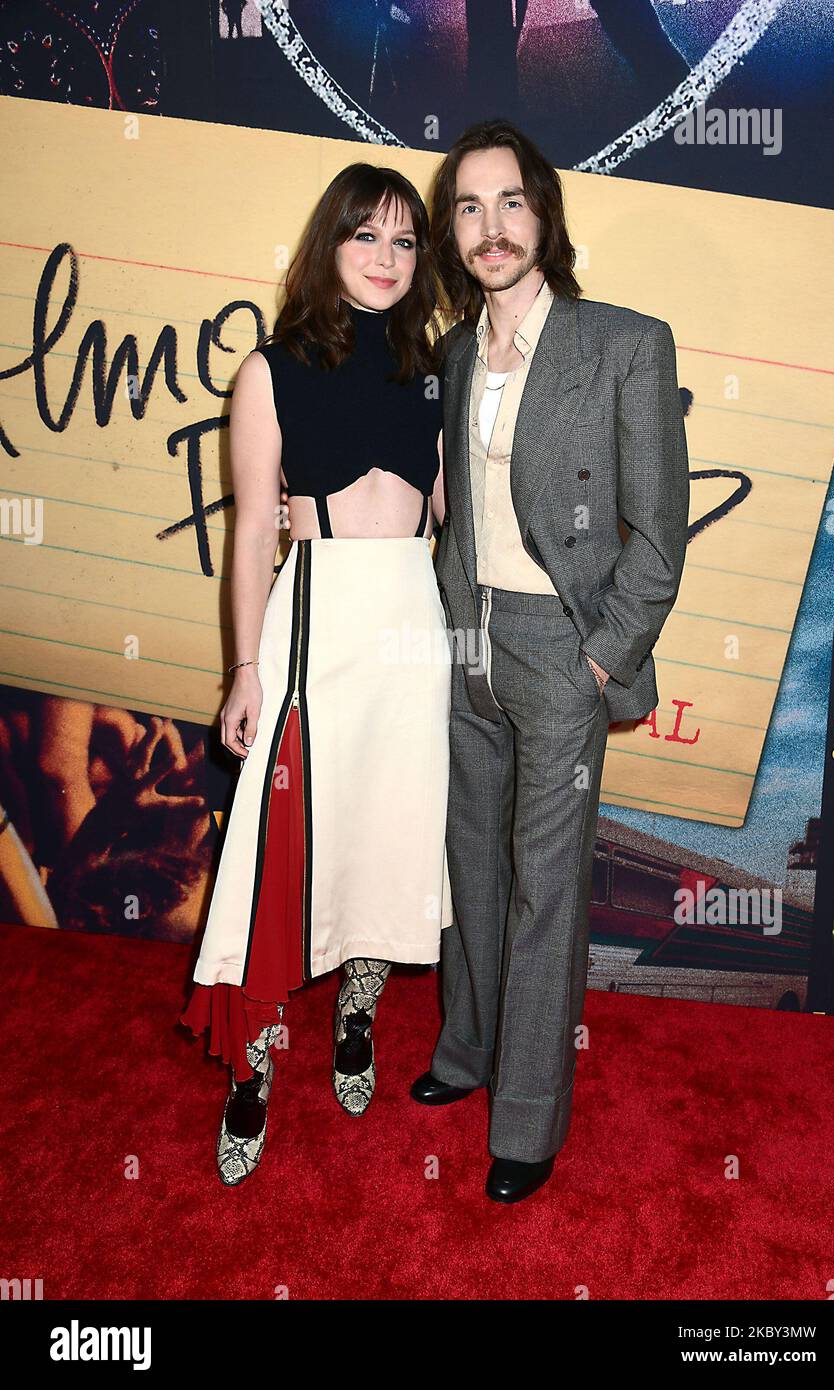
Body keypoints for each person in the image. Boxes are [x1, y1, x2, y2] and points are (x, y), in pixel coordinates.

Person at [411, 119, 690, 1203]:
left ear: (544, 216)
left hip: (554, 651)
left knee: (543, 890)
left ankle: (524, 1120)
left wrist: (595, 660)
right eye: (468, 208)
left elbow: (657, 535)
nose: (490, 227)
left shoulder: (624, 342)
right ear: (453, 232)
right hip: (462, 637)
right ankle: (465, 1052)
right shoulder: (445, 353)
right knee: (468, 867)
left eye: (509, 202)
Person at [178, 162, 453, 1186]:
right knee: (274, 845)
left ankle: (356, 1010)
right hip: (313, 621)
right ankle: (251, 1067)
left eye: (402, 241)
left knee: (388, 825)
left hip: (409, 626)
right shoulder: (271, 366)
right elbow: (252, 530)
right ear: (328, 244)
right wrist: (243, 668)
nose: (384, 258)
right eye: (364, 236)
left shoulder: (433, 368)